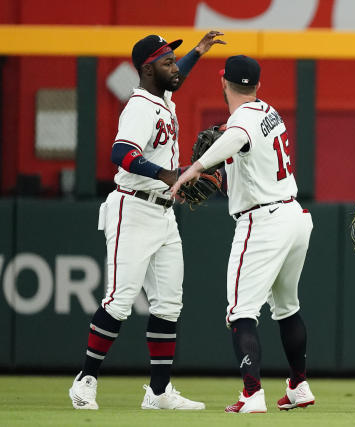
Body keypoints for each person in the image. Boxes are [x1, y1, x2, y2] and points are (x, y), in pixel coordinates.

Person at [68, 31, 226, 410]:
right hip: (134, 208)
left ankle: (158, 393)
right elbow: (120, 152)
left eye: (174, 60)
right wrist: (167, 175)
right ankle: (85, 380)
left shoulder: (161, 94)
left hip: (163, 214)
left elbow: (177, 75)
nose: (175, 67)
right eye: (167, 62)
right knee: (120, 299)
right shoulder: (139, 106)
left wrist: (198, 52)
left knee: (169, 304)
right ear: (147, 69)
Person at [170, 55, 315, 413]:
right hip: (295, 215)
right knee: (287, 307)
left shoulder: (240, 124)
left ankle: (252, 394)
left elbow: (236, 137)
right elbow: (242, 143)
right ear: (258, 86)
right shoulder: (268, 111)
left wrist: (194, 170)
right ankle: (299, 385)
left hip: (263, 222)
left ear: (223, 82)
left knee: (241, 312)